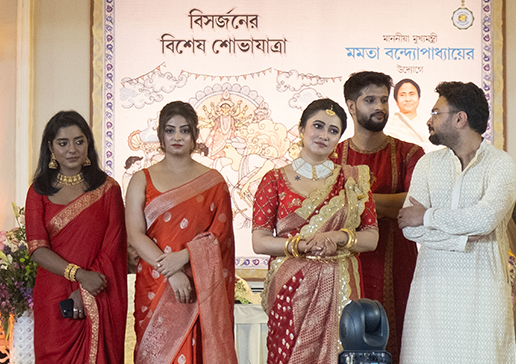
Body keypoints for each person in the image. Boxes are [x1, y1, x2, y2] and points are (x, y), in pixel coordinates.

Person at [252, 98, 379, 363]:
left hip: (340, 284)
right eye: (318, 126)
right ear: (301, 129)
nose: (324, 135)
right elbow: (260, 241)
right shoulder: (274, 179)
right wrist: (299, 245)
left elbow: (371, 237)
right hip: (290, 288)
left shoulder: (354, 179)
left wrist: (338, 236)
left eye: (333, 131)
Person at [398, 81, 516, 363]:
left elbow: (484, 219)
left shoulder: (502, 165)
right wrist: (459, 239)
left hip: (483, 295)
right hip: (431, 296)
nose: (429, 120)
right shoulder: (428, 164)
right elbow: (409, 227)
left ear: (460, 118)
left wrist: (428, 215)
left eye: (436, 113)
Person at [125, 101, 236, 364]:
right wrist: (172, 271)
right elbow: (135, 235)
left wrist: (184, 258)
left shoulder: (213, 182)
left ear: (195, 136)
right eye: (170, 130)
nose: (177, 137)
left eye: (184, 130)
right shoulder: (142, 179)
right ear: (161, 134)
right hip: (155, 284)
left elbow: (219, 236)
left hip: (198, 286)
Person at [332, 71, 425, 358]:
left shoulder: (410, 154)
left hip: (398, 264)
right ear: (350, 105)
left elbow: (412, 206)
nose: (379, 107)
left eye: (384, 100)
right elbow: (324, 209)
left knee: (401, 344)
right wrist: (385, 204)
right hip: (346, 264)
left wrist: (355, 200)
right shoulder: (333, 157)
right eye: (370, 100)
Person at [26, 111, 127, 363]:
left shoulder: (108, 189)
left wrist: (85, 290)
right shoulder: (38, 191)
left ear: (88, 145)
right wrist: (79, 276)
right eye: (63, 143)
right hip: (54, 297)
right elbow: (37, 248)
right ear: (50, 147)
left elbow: (113, 247)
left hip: (99, 288)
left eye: (79, 141)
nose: (72, 149)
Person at [386, 78, 433, 150]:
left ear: (419, 98)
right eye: (402, 95)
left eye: (412, 94)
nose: (408, 99)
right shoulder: (388, 126)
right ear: (396, 100)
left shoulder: (428, 124)